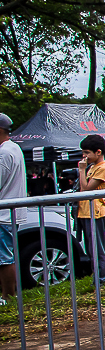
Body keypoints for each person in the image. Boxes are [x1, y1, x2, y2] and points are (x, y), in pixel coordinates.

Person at [75, 134, 105, 284]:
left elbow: (86, 190)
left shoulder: (103, 168)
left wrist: (81, 170)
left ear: (98, 152)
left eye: (87, 153)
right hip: (86, 212)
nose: (84, 156)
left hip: (96, 213)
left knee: (97, 249)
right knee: (92, 248)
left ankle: (101, 278)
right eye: (83, 152)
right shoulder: (93, 167)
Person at [0, 113, 23, 303]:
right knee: (6, 256)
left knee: (4, 258)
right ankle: (8, 296)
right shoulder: (14, 148)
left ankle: (9, 297)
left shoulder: (4, 153)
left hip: (3, 213)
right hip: (10, 211)